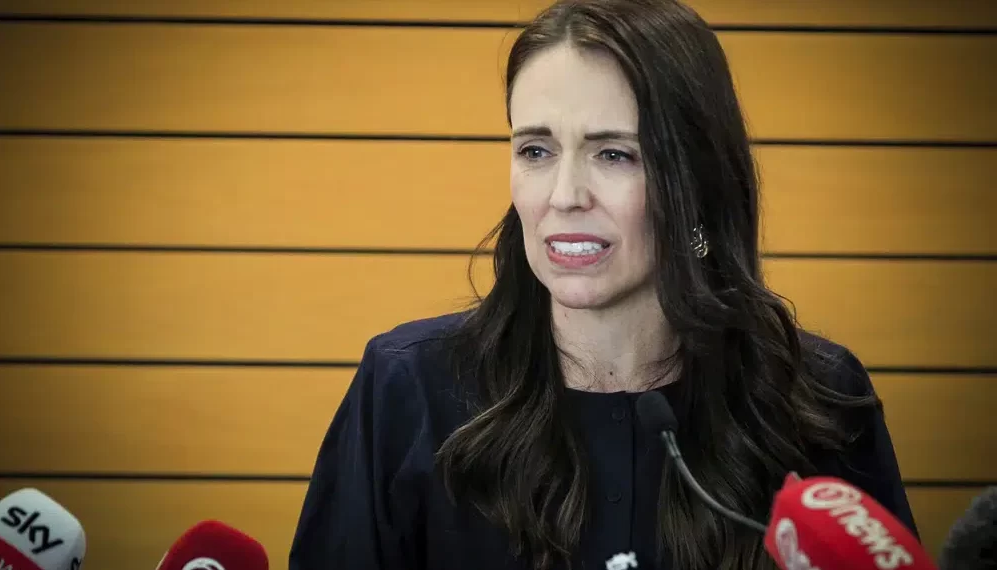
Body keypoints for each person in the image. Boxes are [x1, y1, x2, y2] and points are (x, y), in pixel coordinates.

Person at [288, 0, 917, 569]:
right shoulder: (407, 389)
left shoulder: (819, 398)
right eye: (535, 150)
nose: (564, 197)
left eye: (614, 154)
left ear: (696, 180)